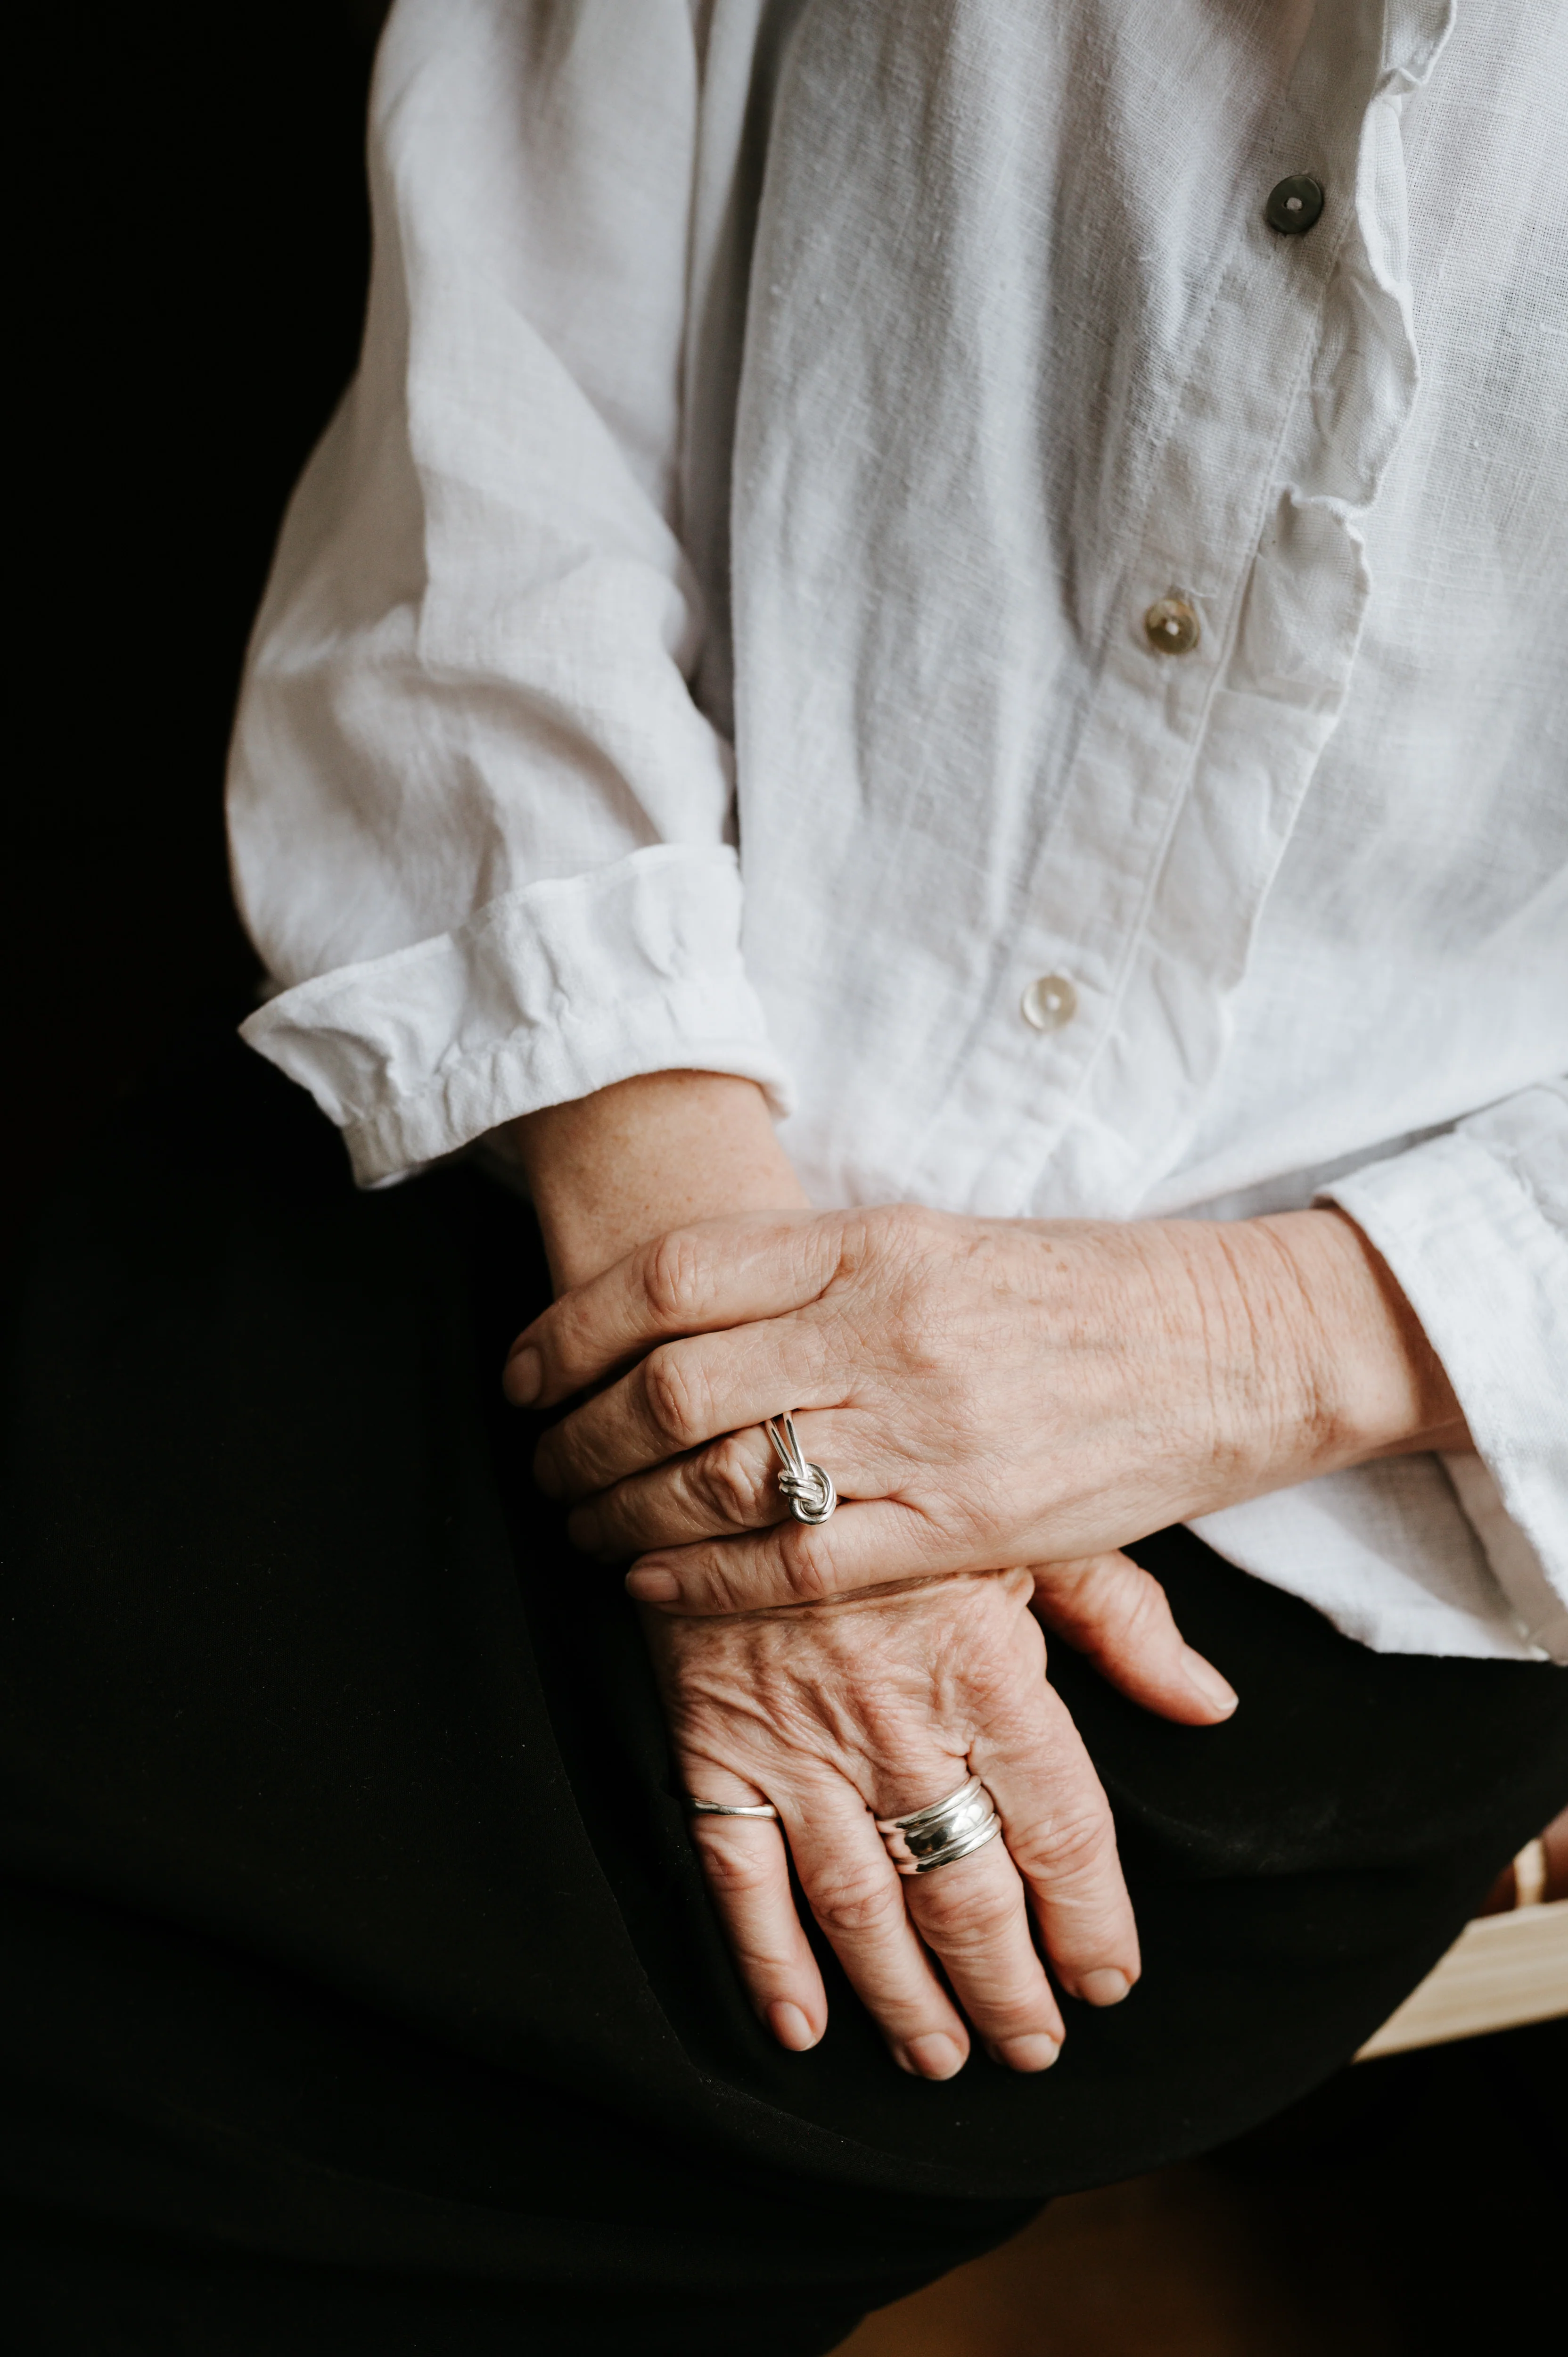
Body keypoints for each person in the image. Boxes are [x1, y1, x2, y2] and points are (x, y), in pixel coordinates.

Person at [4, 2, 1565, 2350]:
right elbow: (501, 416)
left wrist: (1269, 1335)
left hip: (1286, 1540)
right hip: (497, 1119)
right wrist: (738, 1344)